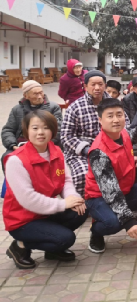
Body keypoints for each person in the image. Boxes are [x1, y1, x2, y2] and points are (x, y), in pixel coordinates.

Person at [3, 110, 87, 269]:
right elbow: (28, 199)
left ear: (53, 130)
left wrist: (73, 198)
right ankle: (20, 245)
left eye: (46, 127)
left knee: (81, 210)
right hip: (23, 220)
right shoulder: (16, 160)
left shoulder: (56, 151)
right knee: (66, 239)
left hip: (45, 212)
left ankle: (52, 250)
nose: (40, 132)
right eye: (35, 128)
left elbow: (65, 180)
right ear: (26, 130)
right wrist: (63, 204)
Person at [85, 99, 137, 254]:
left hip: (125, 190)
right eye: (110, 116)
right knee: (114, 223)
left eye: (119, 115)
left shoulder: (122, 133)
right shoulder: (98, 152)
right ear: (100, 120)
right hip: (99, 198)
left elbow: (131, 136)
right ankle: (96, 231)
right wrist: (129, 221)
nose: (116, 120)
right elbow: (111, 192)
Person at [61, 71, 126, 197]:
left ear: (105, 86)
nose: (97, 88)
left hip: (111, 149)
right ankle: (85, 203)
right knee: (83, 175)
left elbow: (125, 126)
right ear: (85, 86)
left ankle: (114, 200)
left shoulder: (114, 104)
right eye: (93, 84)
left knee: (122, 171)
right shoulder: (75, 107)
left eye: (100, 84)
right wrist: (87, 150)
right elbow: (66, 136)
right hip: (82, 153)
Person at [2, 81, 63, 168]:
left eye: (41, 93)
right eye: (35, 94)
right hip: (21, 144)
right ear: (26, 96)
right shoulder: (17, 109)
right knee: (6, 157)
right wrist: (13, 145)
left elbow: (58, 129)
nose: (39, 96)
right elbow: (8, 130)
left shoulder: (53, 107)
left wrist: (42, 145)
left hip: (45, 143)